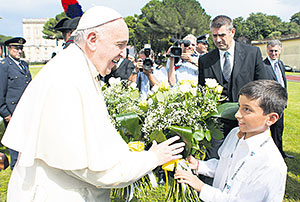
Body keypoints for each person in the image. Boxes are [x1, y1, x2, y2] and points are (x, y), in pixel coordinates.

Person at [1, 6, 185, 201]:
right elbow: (95, 169)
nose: (123, 54)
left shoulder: (77, 67)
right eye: (119, 44)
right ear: (92, 40)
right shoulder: (68, 78)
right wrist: (153, 158)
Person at [175, 80, 287, 202]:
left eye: (247, 109)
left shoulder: (271, 165)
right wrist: (198, 165)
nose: (237, 115)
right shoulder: (235, 134)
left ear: (271, 118)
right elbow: (225, 167)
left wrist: (202, 188)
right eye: (239, 107)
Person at [198, 15, 272, 160]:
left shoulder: (252, 53)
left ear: (232, 32)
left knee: (244, 160)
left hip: (247, 120)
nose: (218, 40)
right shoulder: (205, 60)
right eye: (214, 36)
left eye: (222, 35)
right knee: (215, 158)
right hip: (217, 124)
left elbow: (263, 85)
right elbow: (201, 91)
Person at [0, 37, 32, 170]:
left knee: (26, 146)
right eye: (16, 49)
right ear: (9, 49)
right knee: (15, 147)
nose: (19, 51)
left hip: (25, 111)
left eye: (21, 49)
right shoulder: (4, 66)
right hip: (12, 112)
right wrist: (6, 114)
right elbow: (0, 92)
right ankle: (15, 172)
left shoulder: (24, 65)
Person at [263, 39, 293, 159]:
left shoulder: (280, 64)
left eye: (276, 51)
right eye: (271, 51)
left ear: (280, 50)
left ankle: (280, 152)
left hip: (280, 103)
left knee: (279, 129)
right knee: (267, 130)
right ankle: (269, 155)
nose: (273, 53)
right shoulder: (263, 66)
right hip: (269, 104)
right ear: (267, 50)